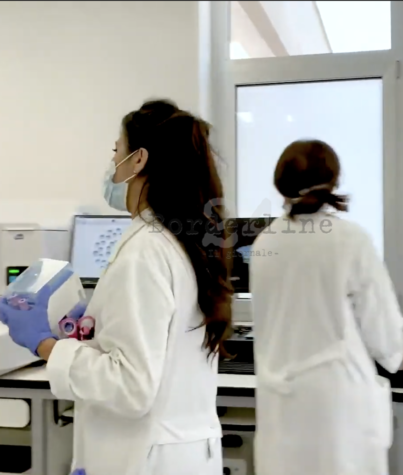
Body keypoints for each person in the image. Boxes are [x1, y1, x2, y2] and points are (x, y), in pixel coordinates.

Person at [0, 100, 233, 475]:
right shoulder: (180, 240)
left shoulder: (144, 251)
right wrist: (94, 332)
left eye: (116, 150)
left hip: (145, 457)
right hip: (177, 452)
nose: (112, 163)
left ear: (138, 160)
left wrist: (45, 345)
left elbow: (131, 386)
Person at [250, 139, 403, 475]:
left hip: (280, 406)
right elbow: (382, 331)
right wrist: (399, 354)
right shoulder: (349, 239)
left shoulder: (265, 241)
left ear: (281, 184)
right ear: (333, 181)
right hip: (338, 407)